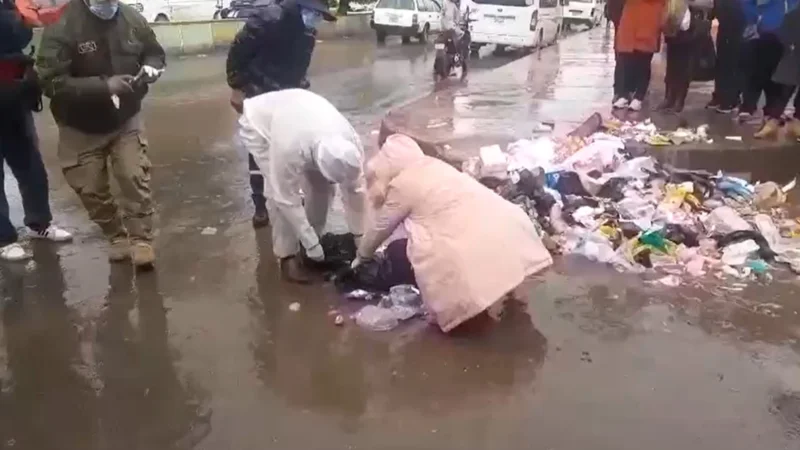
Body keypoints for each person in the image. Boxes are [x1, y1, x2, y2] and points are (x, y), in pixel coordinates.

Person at [353, 134, 553, 333]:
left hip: (471, 244)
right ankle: (507, 300)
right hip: (510, 223)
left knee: (442, 260)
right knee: (494, 257)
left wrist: (362, 256)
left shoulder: (403, 184)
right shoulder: (436, 165)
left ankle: (473, 320)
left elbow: (381, 227)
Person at [36, 0, 166, 267]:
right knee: (90, 188)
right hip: (79, 125)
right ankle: (116, 236)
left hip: (125, 118)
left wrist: (153, 66)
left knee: (133, 175)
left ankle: (141, 239)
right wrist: (104, 87)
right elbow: (50, 81)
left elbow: (153, 51)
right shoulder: (62, 25)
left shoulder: (132, 18)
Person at [226, 0, 335, 229]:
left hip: (286, 93)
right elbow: (238, 50)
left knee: (290, 146)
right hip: (257, 91)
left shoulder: (308, 32)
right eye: (315, 13)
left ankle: (289, 196)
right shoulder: (268, 18)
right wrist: (236, 86)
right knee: (259, 149)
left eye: (319, 16)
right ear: (301, 7)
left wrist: (300, 90)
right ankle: (260, 207)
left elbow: (299, 65)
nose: (316, 20)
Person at [238, 89, 365, 284]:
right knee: (276, 193)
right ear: (317, 161)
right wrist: (310, 241)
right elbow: (285, 198)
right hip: (261, 125)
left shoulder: (352, 144)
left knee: (323, 188)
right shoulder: (290, 147)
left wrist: (361, 241)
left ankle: (310, 247)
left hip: (301, 110)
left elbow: (355, 192)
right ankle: (287, 257)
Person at [0, 0, 72, 262]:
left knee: (30, 163)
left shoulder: (13, 4)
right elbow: (12, 31)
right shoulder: (14, 12)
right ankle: (4, 238)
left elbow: (20, 35)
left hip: (14, 94)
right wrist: (23, 19)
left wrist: (34, 16)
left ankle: (40, 223)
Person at [739, 0, 799, 137]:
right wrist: (757, 19)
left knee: (787, 77)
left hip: (789, 29)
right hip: (772, 31)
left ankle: (786, 118)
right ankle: (771, 115)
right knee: (776, 76)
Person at [658, 0, 714, 112]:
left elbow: (708, 5)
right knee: (672, 64)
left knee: (684, 65)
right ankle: (669, 97)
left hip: (692, 26)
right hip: (674, 22)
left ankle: (679, 100)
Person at [613, 0, 667, 111]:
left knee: (643, 63)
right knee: (626, 62)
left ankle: (639, 97)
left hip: (648, 21)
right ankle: (624, 94)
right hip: (630, 24)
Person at [707, 0, 746, 112]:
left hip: (735, 29)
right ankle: (720, 96)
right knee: (722, 63)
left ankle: (730, 100)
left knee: (731, 64)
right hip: (725, 28)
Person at [770, 2, 800, 137]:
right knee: (786, 89)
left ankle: (773, 121)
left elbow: (782, 35)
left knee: (785, 90)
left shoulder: (792, 14)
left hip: (792, 56)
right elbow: (782, 35)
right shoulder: (793, 14)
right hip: (794, 57)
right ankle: (776, 121)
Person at [606, 0, 627, 105]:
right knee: (622, 61)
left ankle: (620, 92)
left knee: (622, 61)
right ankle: (620, 92)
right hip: (623, 32)